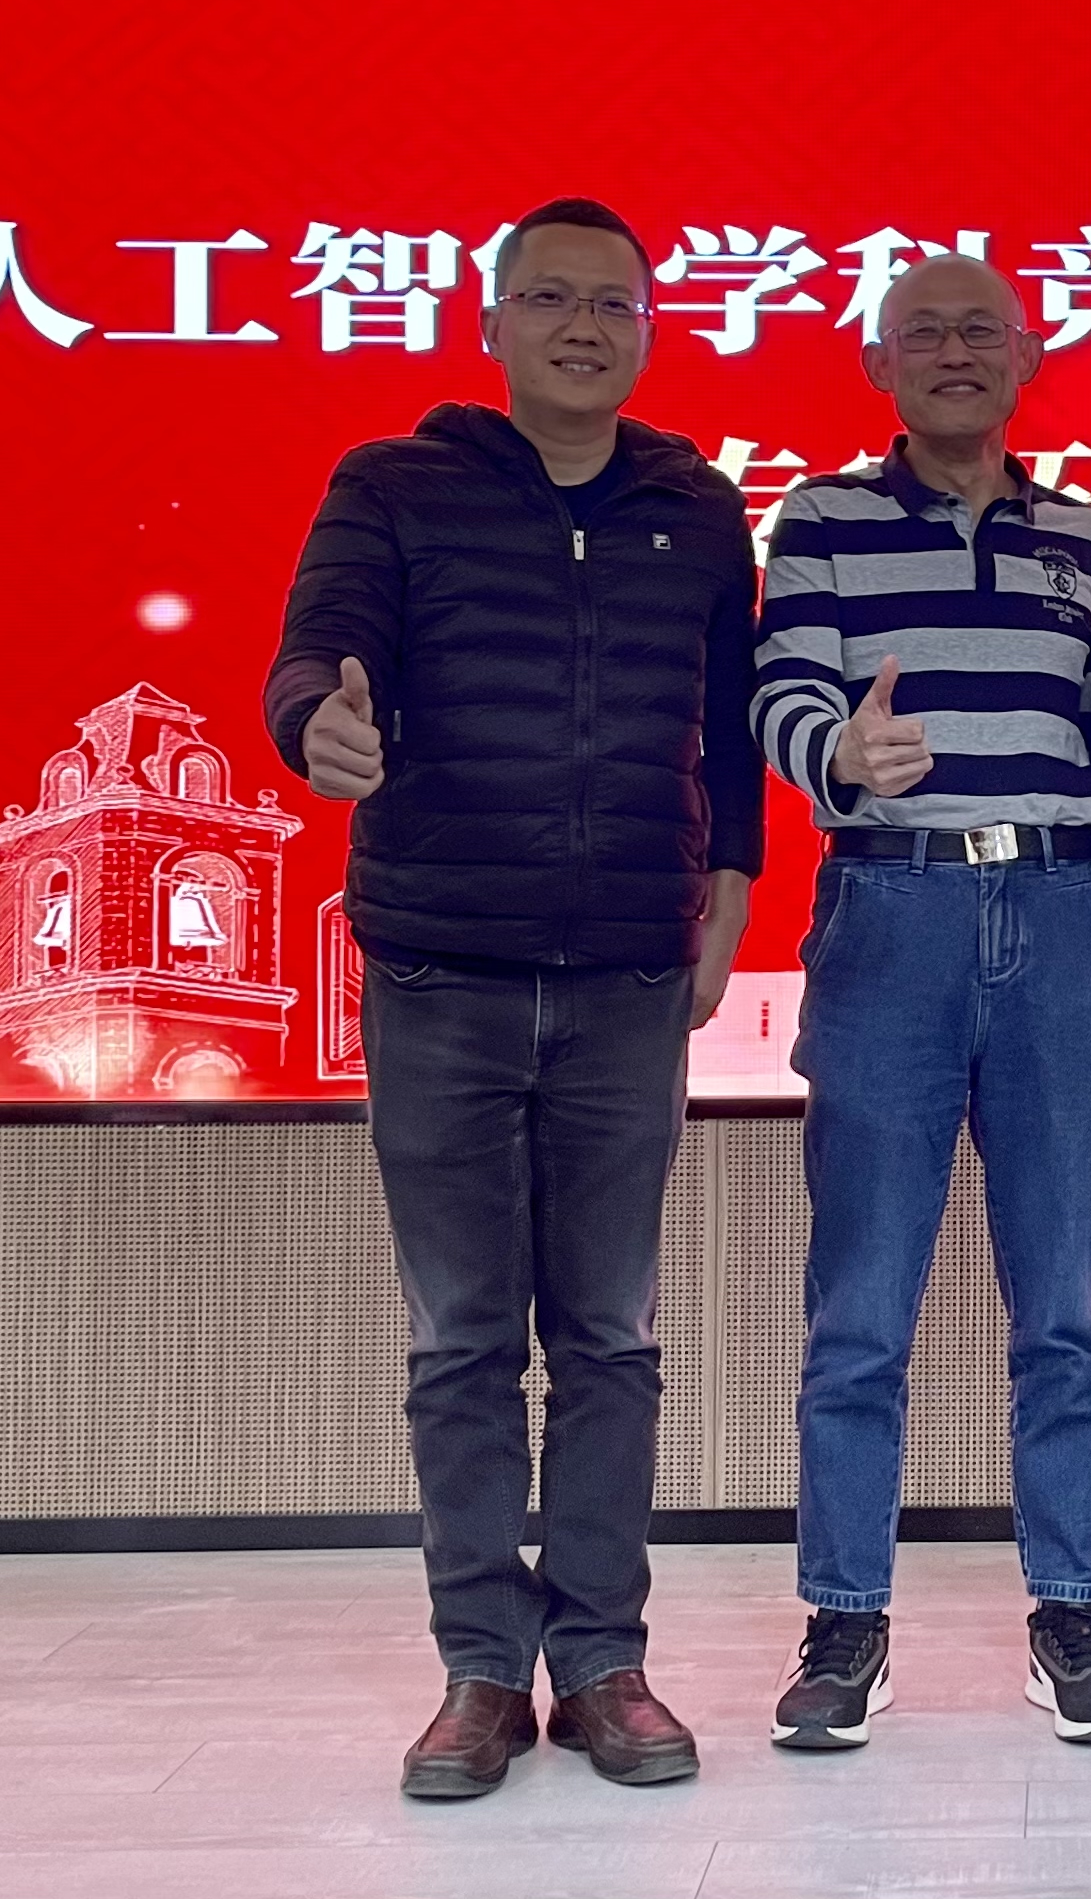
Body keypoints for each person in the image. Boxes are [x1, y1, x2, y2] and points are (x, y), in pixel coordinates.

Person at [265, 195, 763, 1799]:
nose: (583, 326)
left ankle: (603, 1664)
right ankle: (480, 1671)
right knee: (464, 1342)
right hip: (440, 971)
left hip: (626, 975)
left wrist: (731, 891)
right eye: (550, 298)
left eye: (614, 302)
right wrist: (316, 727)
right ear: (489, 324)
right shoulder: (394, 485)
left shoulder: (695, 504)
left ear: (649, 328)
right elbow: (314, 657)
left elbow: (730, 724)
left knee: (609, 1337)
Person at [748, 252, 1091, 1751]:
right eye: (926, 334)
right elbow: (783, 694)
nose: (958, 354)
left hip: (1062, 914)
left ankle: (1072, 1616)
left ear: (1029, 356)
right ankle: (843, 1623)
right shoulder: (821, 522)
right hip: (889, 913)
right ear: (878, 363)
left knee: (1068, 1308)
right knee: (860, 1308)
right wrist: (841, 758)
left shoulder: (1085, 538)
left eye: (985, 331)